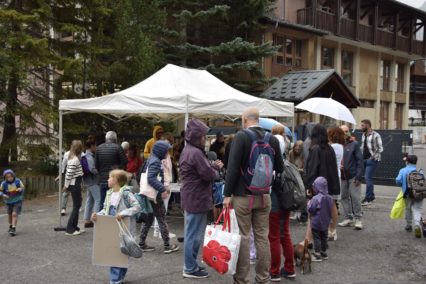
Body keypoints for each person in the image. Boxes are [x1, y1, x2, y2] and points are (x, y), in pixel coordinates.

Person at [224, 107, 284, 284]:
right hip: (265, 196)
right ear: (259, 120)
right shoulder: (271, 139)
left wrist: (227, 194)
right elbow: (280, 168)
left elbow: (233, 168)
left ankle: (242, 279)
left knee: (243, 237)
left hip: (243, 196)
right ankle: (263, 277)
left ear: (244, 120)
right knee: (262, 237)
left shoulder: (241, 137)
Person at [179, 119, 223, 279]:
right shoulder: (196, 153)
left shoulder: (189, 150)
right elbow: (209, 174)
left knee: (192, 233)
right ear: (198, 136)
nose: (205, 138)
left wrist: (211, 166)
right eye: (204, 135)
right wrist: (215, 167)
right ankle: (189, 267)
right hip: (197, 198)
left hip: (192, 197)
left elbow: (203, 170)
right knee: (193, 235)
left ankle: (191, 265)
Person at [91, 169, 141, 284]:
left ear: (116, 181)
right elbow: (106, 209)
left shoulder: (126, 193)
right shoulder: (109, 193)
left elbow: (137, 207)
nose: (107, 180)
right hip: (112, 227)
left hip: (124, 227)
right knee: (115, 253)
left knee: (123, 253)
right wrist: (97, 215)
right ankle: (117, 279)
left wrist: (123, 213)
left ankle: (117, 279)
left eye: (110, 177)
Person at [138, 140, 180, 254]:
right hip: (154, 196)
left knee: (149, 219)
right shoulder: (156, 162)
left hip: (148, 195)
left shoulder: (151, 159)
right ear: (161, 151)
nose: (168, 153)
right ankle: (167, 246)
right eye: (166, 151)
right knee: (161, 218)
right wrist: (163, 188)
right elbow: (151, 178)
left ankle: (141, 244)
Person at [303, 124, 340, 243]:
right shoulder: (330, 148)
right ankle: (332, 231)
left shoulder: (315, 149)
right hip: (329, 183)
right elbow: (333, 168)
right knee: (331, 205)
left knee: (313, 211)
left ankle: (308, 240)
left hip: (317, 185)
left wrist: (308, 186)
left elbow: (312, 169)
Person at [269, 132, 296, 281]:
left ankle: (274, 271)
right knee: (285, 235)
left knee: (273, 237)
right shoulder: (287, 163)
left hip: (275, 205)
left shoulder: (273, 165)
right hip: (287, 203)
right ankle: (290, 268)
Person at [338, 125, 364, 230]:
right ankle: (349, 217)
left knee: (355, 197)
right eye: (343, 131)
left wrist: (358, 177)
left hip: (353, 176)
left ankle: (358, 219)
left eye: (347, 131)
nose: (345, 133)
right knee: (343, 197)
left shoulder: (354, 144)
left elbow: (360, 161)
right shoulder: (337, 145)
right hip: (342, 176)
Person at [96, 131, 128, 209]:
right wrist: (118, 168)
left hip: (103, 179)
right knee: (115, 202)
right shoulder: (118, 147)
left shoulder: (98, 148)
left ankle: (102, 220)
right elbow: (125, 162)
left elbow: (96, 165)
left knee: (103, 202)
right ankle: (112, 220)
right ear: (115, 139)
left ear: (106, 139)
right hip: (115, 180)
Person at [396, 155, 424, 238]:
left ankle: (409, 225)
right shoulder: (420, 171)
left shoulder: (403, 170)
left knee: (408, 209)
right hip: (419, 194)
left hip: (407, 194)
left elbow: (398, 181)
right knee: (417, 209)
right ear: (416, 162)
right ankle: (417, 225)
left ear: (407, 162)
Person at [307, 176, 333, 262]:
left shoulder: (316, 198)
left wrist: (308, 204)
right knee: (324, 237)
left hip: (316, 222)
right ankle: (324, 252)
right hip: (326, 222)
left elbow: (311, 209)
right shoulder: (330, 198)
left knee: (317, 237)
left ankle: (317, 254)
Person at [327, 126, 345, 240]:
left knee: (330, 203)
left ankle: (331, 230)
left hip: (330, 176)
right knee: (332, 203)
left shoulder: (331, 147)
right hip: (336, 175)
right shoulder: (340, 147)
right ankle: (332, 230)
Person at [360, 119, 383, 206]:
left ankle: (368, 198)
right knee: (368, 178)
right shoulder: (363, 135)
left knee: (367, 178)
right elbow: (363, 147)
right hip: (364, 159)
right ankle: (372, 196)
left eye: (362, 125)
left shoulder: (376, 135)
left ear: (368, 125)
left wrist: (371, 158)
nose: (361, 127)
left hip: (372, 160)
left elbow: (380, 148)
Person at [63, 140, 84, 236]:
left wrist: (67, 185)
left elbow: (68, 173)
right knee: (76, 206)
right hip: (75, 183)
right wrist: (66, 186)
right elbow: (69, 174)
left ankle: (74, 226)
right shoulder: (75, 159)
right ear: (79, 149)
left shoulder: (71, 157)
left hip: (74, 183)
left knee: (77, 205)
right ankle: (70, 229)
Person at [0, 169, 24, 236]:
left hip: (17, 200)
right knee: (10, 215)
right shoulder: (3, 183)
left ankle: (13, 228)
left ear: (13, 175)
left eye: (11, 176)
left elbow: (22, 187)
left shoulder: (18, 181)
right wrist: (3, 194)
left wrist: (20, 189)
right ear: (5, 178)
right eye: (7, 177)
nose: (9, 178)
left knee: (14, 214)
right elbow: (0, 191)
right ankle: (11, 225)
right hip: (8, 202)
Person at [82, 140, 100, 228]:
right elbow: (92, 169)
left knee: (90, 200)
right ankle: (96, 220)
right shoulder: (89, 156)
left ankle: (87, 219)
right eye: (95, 146)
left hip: (88, 181)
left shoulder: (85, 155)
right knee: (98, 199)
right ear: (92, 146)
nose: (96, 148)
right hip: (93, 181)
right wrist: (99, 172)